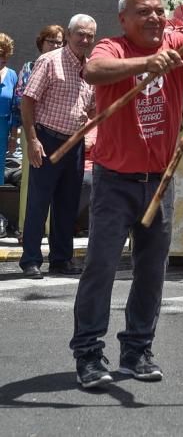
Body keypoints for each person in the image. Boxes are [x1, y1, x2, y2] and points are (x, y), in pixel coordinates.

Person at [70, 0, 183, 390]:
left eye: (159, 11)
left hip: (159, 180)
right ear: (124, 19)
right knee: (101, 267)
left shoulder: (175, 43)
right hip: (115, 180)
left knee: (151, 272)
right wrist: (148, 64)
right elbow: (93, 72)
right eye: (144, 12)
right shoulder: (111, 47)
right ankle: (88, 353)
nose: (154, 18)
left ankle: (137, 349)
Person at [19, 14, 96, 280]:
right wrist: (31, 140)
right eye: (80, 34)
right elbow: (28, 101)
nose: (85, 40)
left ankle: (61, 260)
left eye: (90, 35)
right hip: (47, 138)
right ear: (70, 34)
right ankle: (30, 260)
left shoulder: (91, 68)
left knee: (67, 204)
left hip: (74, 143)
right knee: (38, 204)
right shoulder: (49, 61)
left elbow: (93, 107)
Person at [14, 24, 65, 241]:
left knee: (58, 184)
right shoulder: (30, 66)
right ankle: (26, 229)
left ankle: (49, 230)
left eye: (59, 42)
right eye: (50, 41)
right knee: (31, 182)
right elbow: (21, 98)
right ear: (41, 43)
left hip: (59, 132)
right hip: (33, 130)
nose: (55, 45)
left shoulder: (66, 66)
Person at [0, 33, 20, 185]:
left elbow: (15, 108)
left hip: (3, 127)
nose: (3, 58)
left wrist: (13, 136)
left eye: (6, 54)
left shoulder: (12, 75)